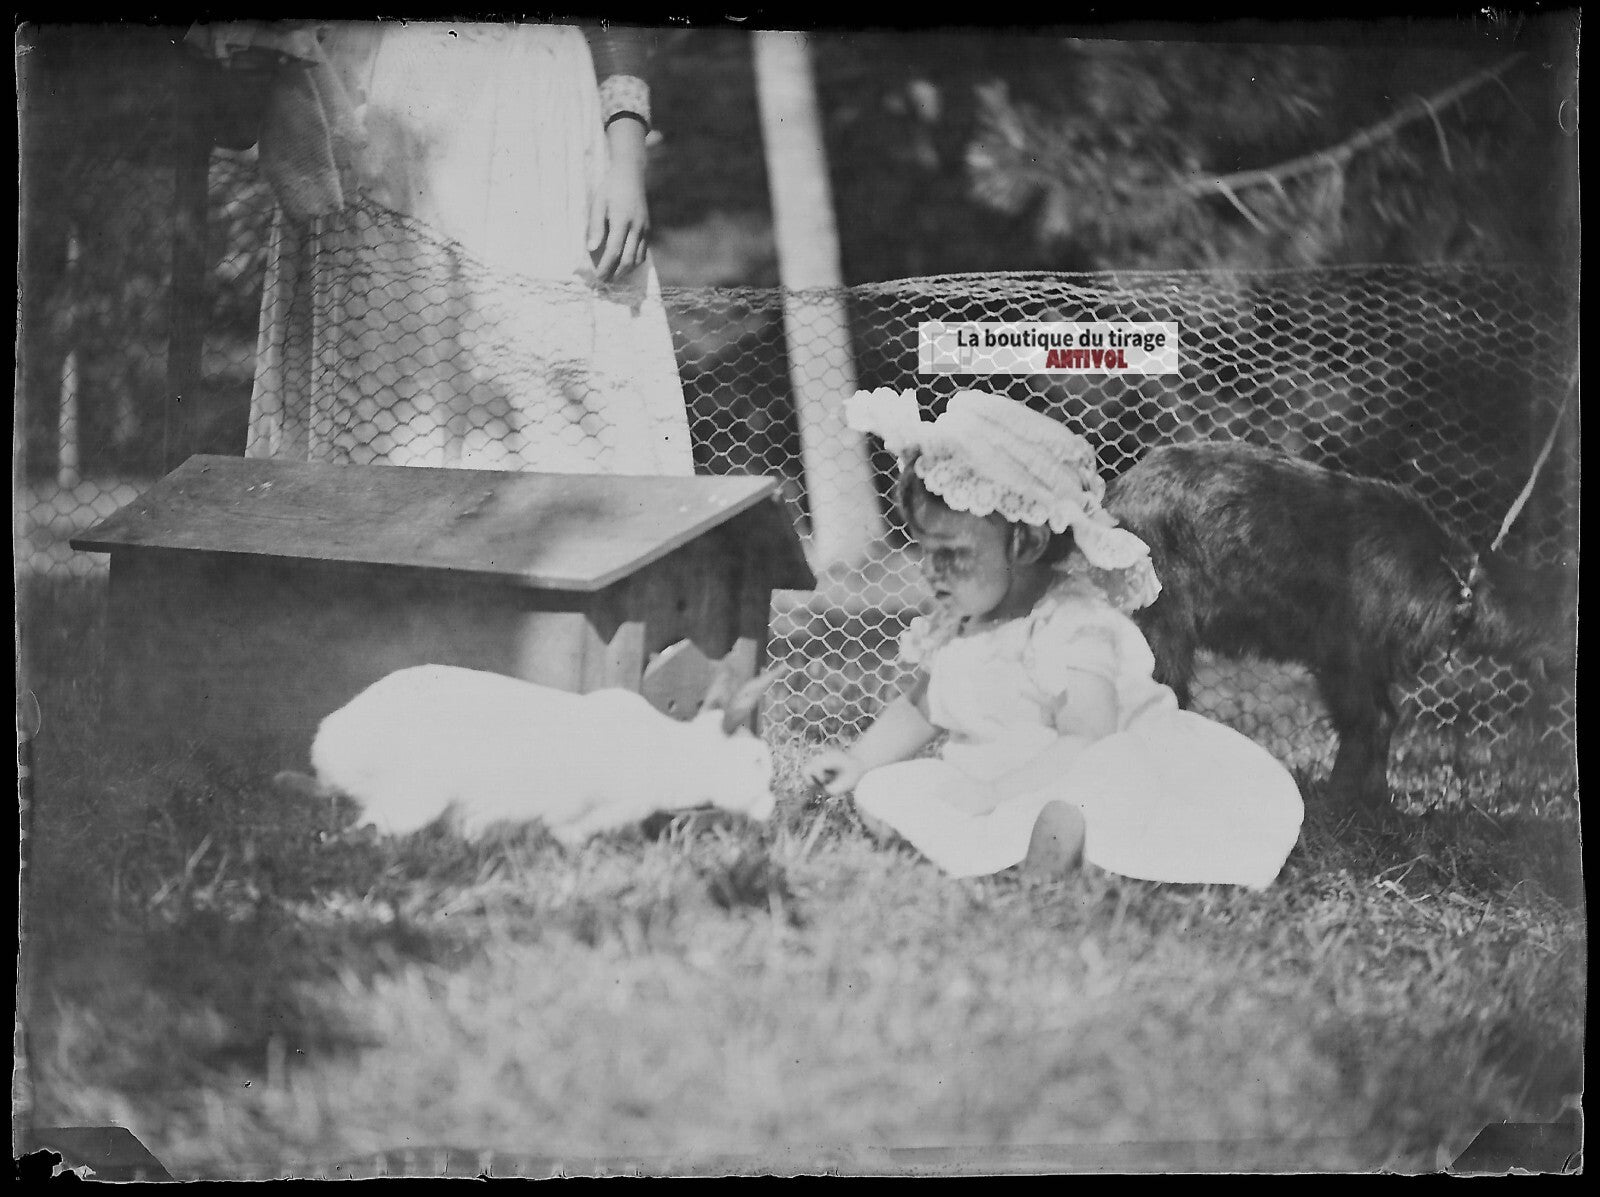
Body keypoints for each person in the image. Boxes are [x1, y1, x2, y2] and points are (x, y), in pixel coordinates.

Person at [805, 388, 1305, 885]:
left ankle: (1066, 840)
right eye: (925, 550)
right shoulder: (962, 621)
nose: (931, 570)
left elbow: (1087, 738)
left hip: (1080, 765)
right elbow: (922, 708)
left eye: (951, 553)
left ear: (1027, 542)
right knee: (883, 788)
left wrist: (997, 792)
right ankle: (1007, 840)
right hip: (990, 780)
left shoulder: (1072, 625)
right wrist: (859, 760)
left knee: (1109, 777)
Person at [189, 20, 693, 474]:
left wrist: (626, 162)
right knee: (385, 389)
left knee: (539, 385)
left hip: (532, 121)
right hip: (378, 117)